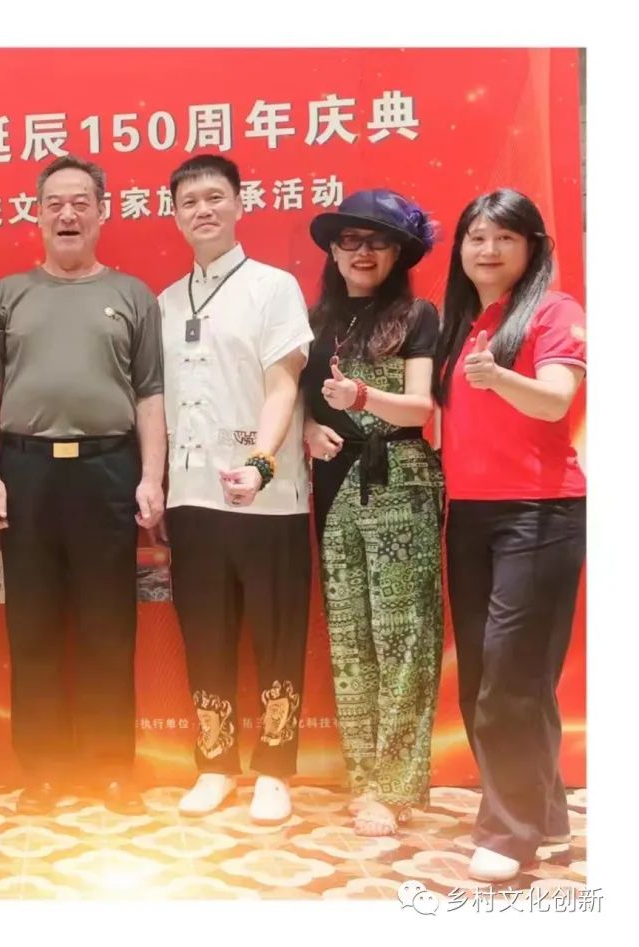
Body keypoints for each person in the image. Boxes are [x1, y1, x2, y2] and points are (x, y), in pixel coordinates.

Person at [0, 155, 166, 815]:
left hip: (107, 469)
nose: (67, 214)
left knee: (108, 623)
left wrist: (151, 476)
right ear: (37, 214)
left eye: (81, 201)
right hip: (25, 470)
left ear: (102, 212)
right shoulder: (7, 295)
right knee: (33, 625)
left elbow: (150, 394)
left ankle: (111, 767)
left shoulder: (133, 295)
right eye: (54, 202)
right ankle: (45, 770)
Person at [435, 188, 586, 882]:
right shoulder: (461, 321)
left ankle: (510, 830)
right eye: (475, 237)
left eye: (504, 238)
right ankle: (546, 819)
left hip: (539, 513)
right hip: (469, 515)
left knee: (511, 680)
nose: (487, 250)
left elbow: (556, 400)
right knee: (489, 681)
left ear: (532, 248)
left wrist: (499, 377)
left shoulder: (554, 312)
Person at [157, 154, 313, 824]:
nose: (203, 210)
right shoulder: (165, 302)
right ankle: (215, 763)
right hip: (192, 497)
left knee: (277, 634)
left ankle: (275, 769)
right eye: (189, 201)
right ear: (175, 214)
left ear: (240, 204)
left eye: (215, 197)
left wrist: (261, 463)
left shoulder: (274, 288)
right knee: (205, 632)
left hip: (269, 497)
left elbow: (284, 385)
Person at [303, 188, 444, 836]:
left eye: (378, 242)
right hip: (335, 483)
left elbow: (421, 407)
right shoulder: (316, 321)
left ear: (398, 254)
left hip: (402, 479)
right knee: (351, 638)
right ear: (333, 251)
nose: (363, 252)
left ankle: (395, 786)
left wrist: (362, 394)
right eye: (351, 240)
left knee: (403, 636)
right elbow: (300, 400)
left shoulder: (417, 315)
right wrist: (309, 427)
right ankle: (364, 777)